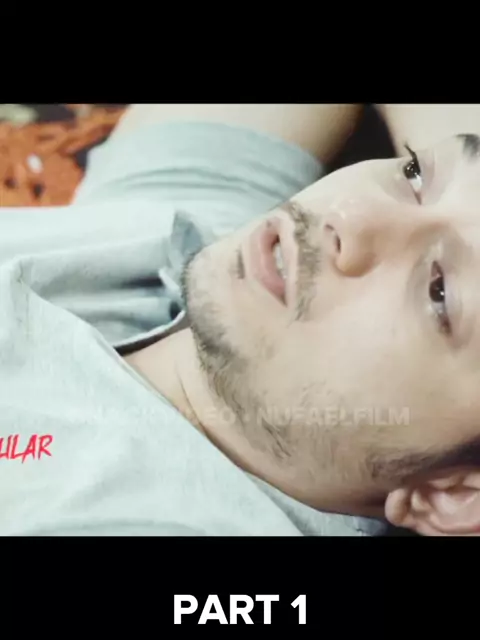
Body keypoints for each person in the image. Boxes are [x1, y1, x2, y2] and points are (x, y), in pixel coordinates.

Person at [2, 104, 480, 536]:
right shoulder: (185, 243)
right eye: (415, 175)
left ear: (456, 496)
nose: (349, 212)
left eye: (439, 291)